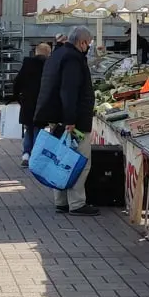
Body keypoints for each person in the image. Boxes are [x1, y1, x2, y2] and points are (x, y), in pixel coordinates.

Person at [34, 26, 97, 216]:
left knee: (60, 159)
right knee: (79, 161)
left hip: (57, 118)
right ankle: (77, 203)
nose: (88, 47)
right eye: (88, 43)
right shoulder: (73, 59)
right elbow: (69, 91)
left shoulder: (58, 55)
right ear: (82, 42)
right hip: (73, 121)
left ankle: (60, 201)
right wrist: (70, 119)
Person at [9, 42, 52, 167]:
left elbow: (17, 82)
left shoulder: (27, 64)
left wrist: (17, 97)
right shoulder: (48, 65)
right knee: (39, 128)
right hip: (42, 103)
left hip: (27, 102)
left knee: (29, 129)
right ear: (48, 53)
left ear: (36, 52)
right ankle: (35, 154)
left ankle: (26, 154)